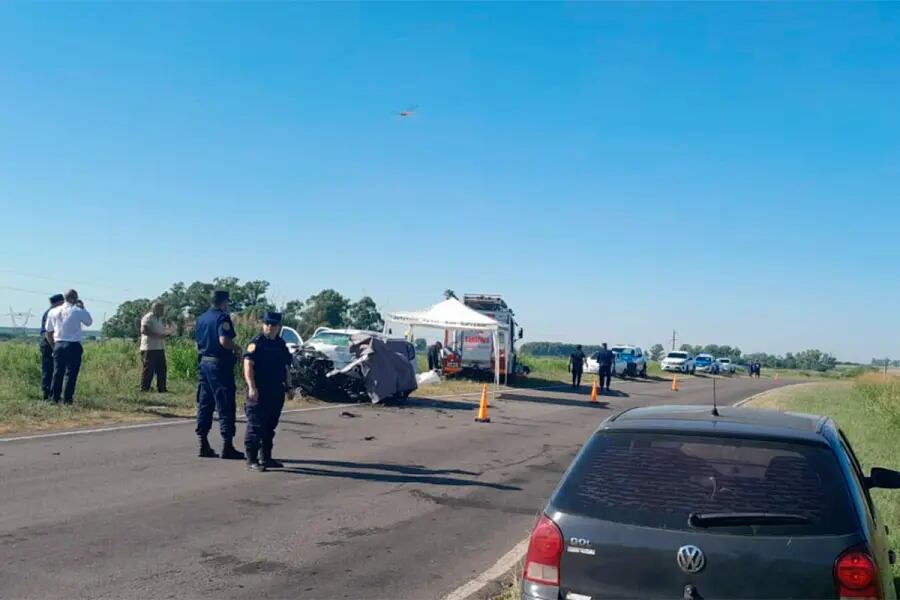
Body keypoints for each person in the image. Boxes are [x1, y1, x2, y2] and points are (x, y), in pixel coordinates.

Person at [194, 290, 245, 460]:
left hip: (204, 363)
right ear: (224, 302)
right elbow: (224, 341)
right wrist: (237, 349)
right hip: (219, 365)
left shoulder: (201, 319)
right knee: (225, 403)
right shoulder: (222, 318)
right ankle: (227, 445)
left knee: (205, 402)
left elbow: (197, 343)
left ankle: (203, 442)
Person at [243, 312, 293, 472]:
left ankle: (266, 457)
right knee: (256, 425)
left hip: (276, 390)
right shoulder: (257, 343)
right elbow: (248, 365)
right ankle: (251, 459)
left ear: (279, 327)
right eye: (267, 324)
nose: (270, 327)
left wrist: (289, 386)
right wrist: (251, 386)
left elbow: (286, 367)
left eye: (273, 325)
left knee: (270, 425)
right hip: (258, 390)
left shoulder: (280, 344)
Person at [45, 289, 93, 404]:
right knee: (71, 374)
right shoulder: (77, 310)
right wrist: (83, 307)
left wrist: (53, 346)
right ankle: (67, 399)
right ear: (74, 298)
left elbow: (48, 331)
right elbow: (89, 322)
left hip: (59, 344)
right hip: (73, 344)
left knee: (57, 372)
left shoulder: (53, 311)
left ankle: (54, 398)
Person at [39, 294, 65, 400]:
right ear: (59, 302)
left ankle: (51, 393)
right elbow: (48, 333)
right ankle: (47, 393)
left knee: (51, 369)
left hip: (49, 343)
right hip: (49, 343)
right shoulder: (51, 313)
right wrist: (54, 347)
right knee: (49, 368)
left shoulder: (50, 312)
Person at [140, 301, 169, 393]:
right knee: (149, 369)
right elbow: (144, 330)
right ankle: (145, 389)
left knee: (162, 369)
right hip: (149, 348)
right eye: (161, 309)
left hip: (160, 347)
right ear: (155, 309)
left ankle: (162, 388)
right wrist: (158, 336)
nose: (162, 311)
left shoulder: (160, 319)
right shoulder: (148, 317)